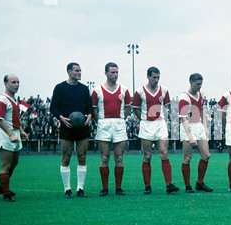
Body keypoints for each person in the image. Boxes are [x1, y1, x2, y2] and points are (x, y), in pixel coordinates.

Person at [131, 66, 179, 194]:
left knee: (164, 153)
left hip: (160, 123)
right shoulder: (140, 91)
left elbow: (167, 106)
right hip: (146, 124)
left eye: (158, 77)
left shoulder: (164, 90)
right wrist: (142, 119)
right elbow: (135, 108)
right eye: (154, 77)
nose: (156, 80)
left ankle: (169, 184)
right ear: (148, 77)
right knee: (147, 156)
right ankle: (147, 186)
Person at [50, 62, 92, 198]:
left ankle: (80, 188)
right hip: (66, 125)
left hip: (82, 126)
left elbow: (90, 107)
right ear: (69, 72)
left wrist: (89, 116)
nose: (80, 73)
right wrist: (61, 118)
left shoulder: (85, 89)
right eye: (77, 71)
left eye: (80, 70)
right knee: (66, 157)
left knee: (82, 156)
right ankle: (67, 189)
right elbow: (53, 107)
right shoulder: (60, 88)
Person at [92, 62, 132, 196]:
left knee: (119, 157)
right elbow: (93, 110)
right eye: (112, 72)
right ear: (106, 73)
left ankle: (118, 187)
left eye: (116, 72)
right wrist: (100, 122)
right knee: (104, 157)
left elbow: (128, 107)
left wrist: (122, 119)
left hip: (119, 124)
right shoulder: (97, 90)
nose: (115, 75)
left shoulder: (124, 89)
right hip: (104, 124)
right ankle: (105, 188)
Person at [0, 74, 29, 202]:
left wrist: (21, 131)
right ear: (5, 84)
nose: (16, 85)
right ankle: (6, 194)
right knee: (6, 165)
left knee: (14, 163)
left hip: (15, 133)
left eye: (18, 82)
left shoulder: (15, 99)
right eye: (13, 82)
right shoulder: (2, 99)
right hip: (6, 135)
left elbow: (16, 119)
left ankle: (2, 187)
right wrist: (10, 134)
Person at [178, 73, 213, 193]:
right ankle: (188, 186)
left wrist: (205, 126)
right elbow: (183, 119)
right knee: (187, 158)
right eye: (197, 84)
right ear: (191, 82)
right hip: (188, 126)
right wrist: (190, 136)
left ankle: (199, 183)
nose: (199, 86)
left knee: (206, 155)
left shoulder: (201, 94)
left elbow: (202, 110)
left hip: (198, 125)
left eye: (201, 84)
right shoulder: (184, 98)